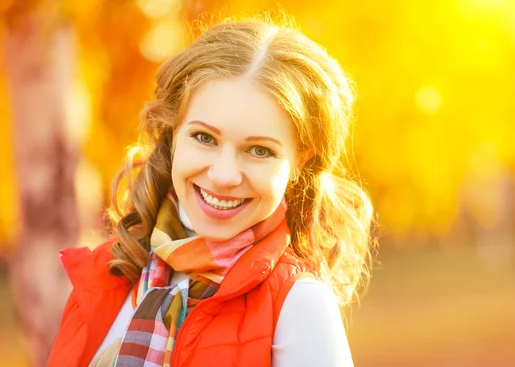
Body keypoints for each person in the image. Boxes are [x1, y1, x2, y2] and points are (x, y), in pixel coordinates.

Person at [47, 16, 375, 367]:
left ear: (300, 163)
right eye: (204, 138)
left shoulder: (300, 306)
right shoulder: (109, 273)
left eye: (259, 150)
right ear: (173, 135)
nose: (223, 175)